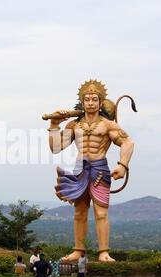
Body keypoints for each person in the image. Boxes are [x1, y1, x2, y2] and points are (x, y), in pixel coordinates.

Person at [48, 80, 135, 263]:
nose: (90, 102)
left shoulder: (108, 125)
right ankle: (78, 250)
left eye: (94, 99)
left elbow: (128, 142)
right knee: (79, 212)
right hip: (80, 169)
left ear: (100, 102)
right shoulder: (74, 125)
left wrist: (123, 164)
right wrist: (55, 124)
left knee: (101, 213)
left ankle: (103, 252)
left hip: (99, 169)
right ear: (82, 102)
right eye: (86, 99)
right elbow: (56, 147)